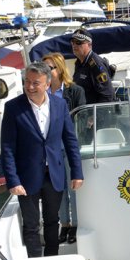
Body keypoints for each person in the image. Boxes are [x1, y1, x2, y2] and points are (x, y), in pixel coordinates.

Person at [0, 61, 84, 257]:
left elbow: (70, 140)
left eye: (35, 83)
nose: (29, 86)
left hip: (54, 174)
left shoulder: (60, 104)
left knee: (52, 221)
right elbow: (7, 148)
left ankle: (52, 259)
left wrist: (76, 172)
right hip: (27, 177)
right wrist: (13, 180)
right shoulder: (13, 108)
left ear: (47, 84)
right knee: (30, 225)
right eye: (27, 81)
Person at [43, 52, 86, 245]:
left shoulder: (74, 91)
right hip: (51, 149)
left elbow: (83, 118)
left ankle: (76, 224)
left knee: (74, 187)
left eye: (49, 68)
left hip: (70, 146)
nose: (46, 71)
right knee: (57, 188)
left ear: (60, 69)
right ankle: (65, 224)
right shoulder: (41, 95)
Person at [70, 28, 115, 104]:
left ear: (89, 45)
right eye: (73, 42)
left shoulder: (96, 64)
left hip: (93, 112)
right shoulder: (79, 62)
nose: (74, 45)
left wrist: (96, 115)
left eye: (78, 42)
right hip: (81, 112)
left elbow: (107, 95)